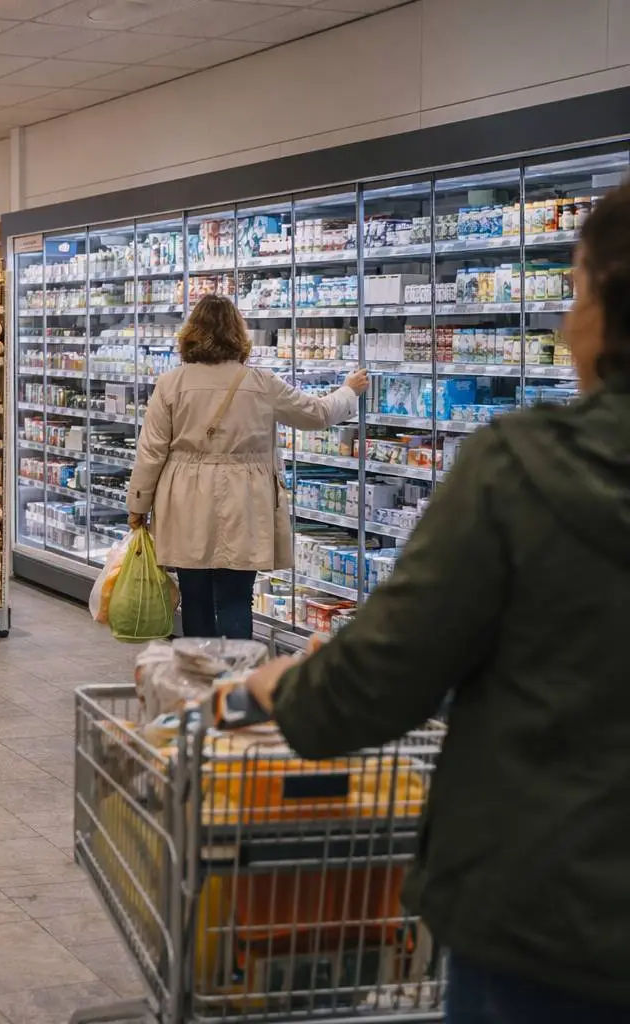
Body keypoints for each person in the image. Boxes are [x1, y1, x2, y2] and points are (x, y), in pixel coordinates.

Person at [241, 185, 630, 1022]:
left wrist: (274, 689)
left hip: (549, 917)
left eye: (578, 291)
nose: (566, 324)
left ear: (607, 311)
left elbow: (384, 674)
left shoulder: (524, 469)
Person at [126, 294, 369, 639]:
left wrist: (138, 506)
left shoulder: (171, 384)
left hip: (184, 499)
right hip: (245, 499)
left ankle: (200, 677)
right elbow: (316, 414)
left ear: (190, 334)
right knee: (235, 598)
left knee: (194, 597)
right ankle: (236, 683)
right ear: (238, 335)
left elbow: (151, 452)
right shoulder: (260, 382)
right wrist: (348, 391)